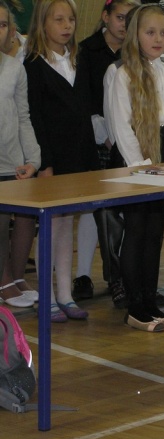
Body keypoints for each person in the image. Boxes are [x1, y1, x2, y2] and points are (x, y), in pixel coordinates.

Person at [108, 3, 164, 331]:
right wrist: (140, 167)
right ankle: (135, 306)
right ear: (135, 35)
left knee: (155, 233)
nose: (158, 39)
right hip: (136, 158)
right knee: (136, 230)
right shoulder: (122, 74)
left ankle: (150, 300)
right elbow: (120, 126)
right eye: (150, 32)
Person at [24, 0, 100, 322]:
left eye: (70, 19)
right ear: (43, 23)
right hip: (52, 157)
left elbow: (85, 112)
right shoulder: (33, 64)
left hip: (78, 156)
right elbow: (35, 117)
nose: (67, 25)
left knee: (67, 223)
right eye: (59, 19)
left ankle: (65, 294)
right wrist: (45, 163)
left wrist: (90, 159)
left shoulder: (78, 59)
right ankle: (46, 296)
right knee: (51, 226)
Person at [75, 0, 139, 309]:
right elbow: (85, 99)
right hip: (98, 138)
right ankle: (83, 275)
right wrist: (106, 136)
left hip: (130, 140)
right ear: (105, 17)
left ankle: (123, 275)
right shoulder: (87, 51)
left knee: (121, 212)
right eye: (120, 17)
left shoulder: (135, 52)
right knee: (95, 209)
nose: (124, 24)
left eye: (130, 19)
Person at [0, 0, 40, 309]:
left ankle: (15, 276)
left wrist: (33, 159)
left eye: (2, 25)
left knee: (26, 218)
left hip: (12, 160)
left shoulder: (15, 67)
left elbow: (24, 117)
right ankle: (3, 281)